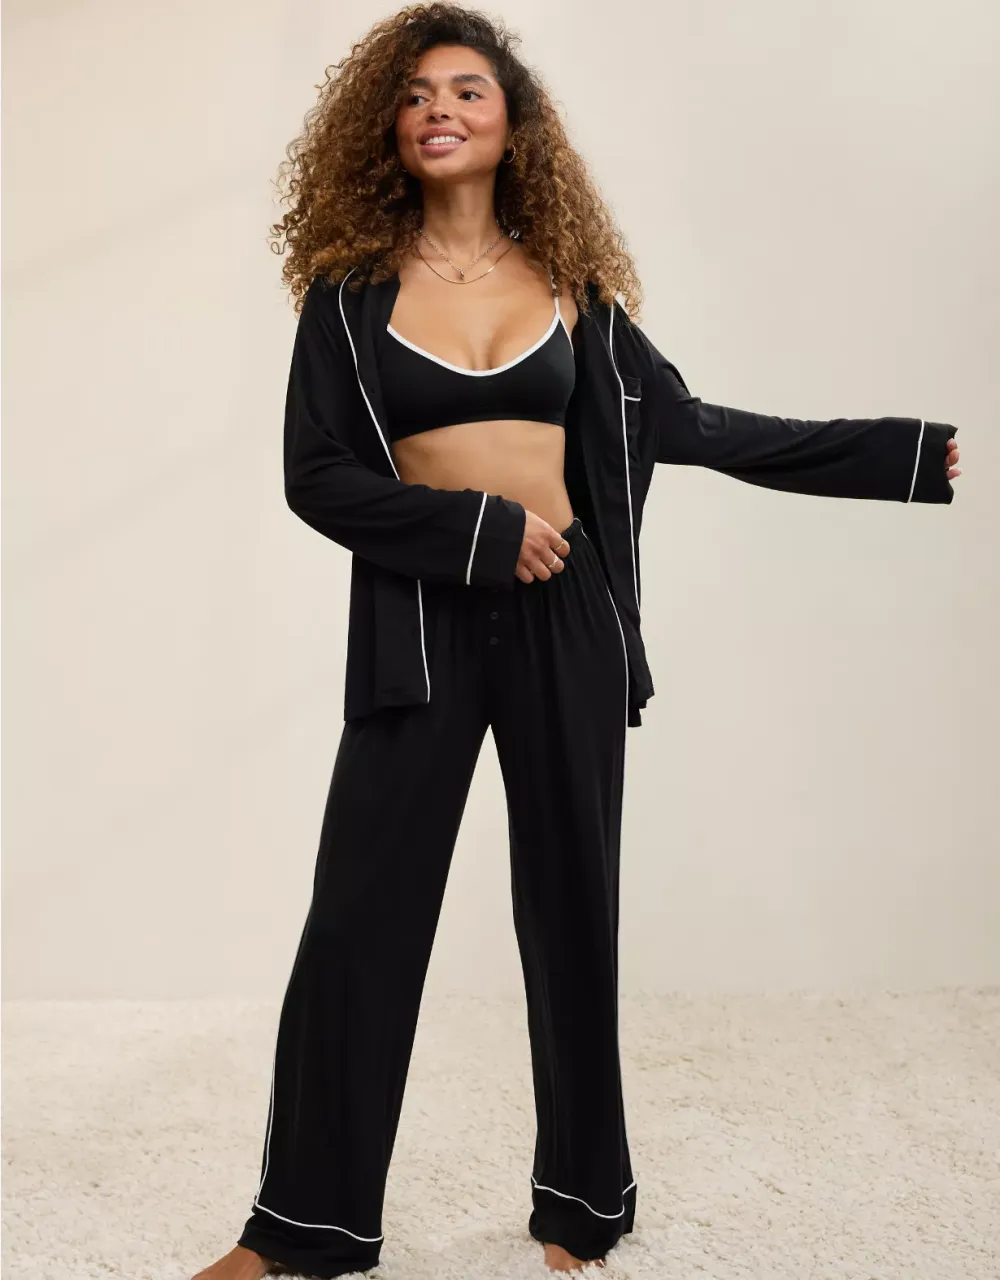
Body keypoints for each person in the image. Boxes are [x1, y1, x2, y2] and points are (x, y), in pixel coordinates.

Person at [192, 5, 961, 1278]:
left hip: (568, 622)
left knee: (570, 909)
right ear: (383, 125)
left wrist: (910, 455)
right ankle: (303, 1227)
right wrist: (479, 530)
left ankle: (580, 1206)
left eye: (468, 90)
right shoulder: (346, 296)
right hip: (422, 627)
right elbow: (316, 475)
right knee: (360, 913)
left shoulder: (574, 290)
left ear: (514, 125)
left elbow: (698, 425)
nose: (439, 108)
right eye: (415, 93)